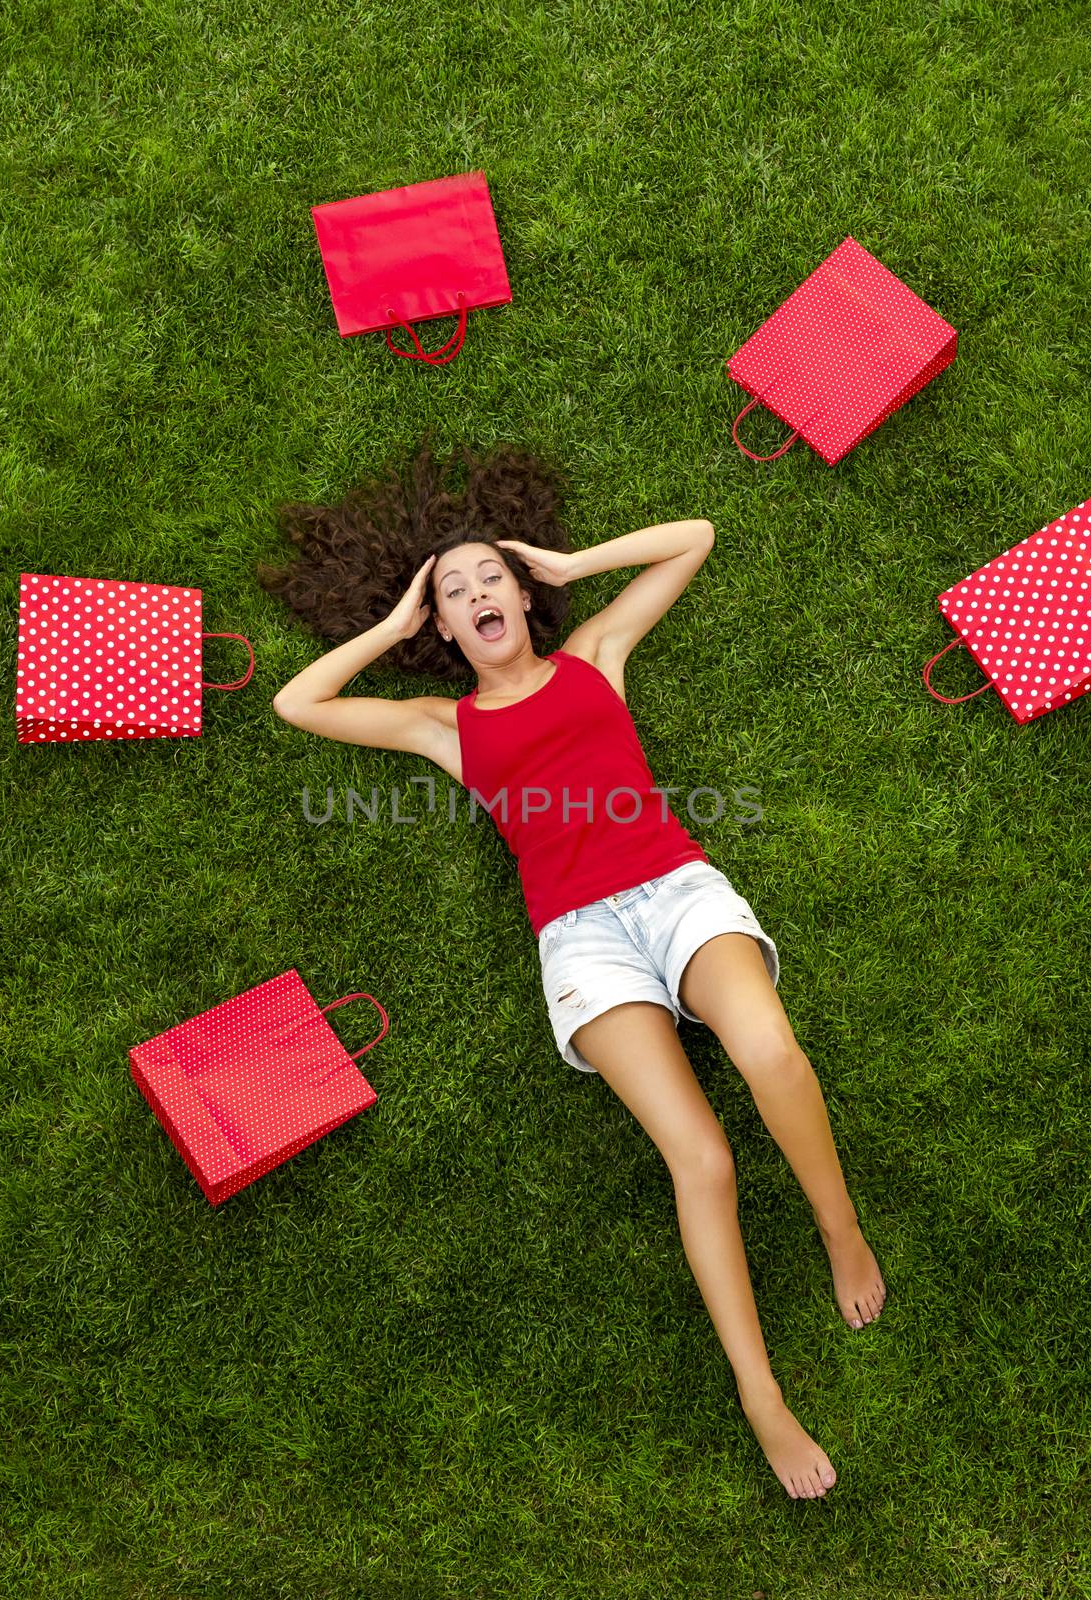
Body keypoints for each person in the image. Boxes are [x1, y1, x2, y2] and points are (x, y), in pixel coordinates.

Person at [264, 442, 885, 1501]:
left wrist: (564, 561)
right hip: (581, 940)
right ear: (445, 630)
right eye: (454, 595)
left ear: (521, 593)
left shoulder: (595, 653)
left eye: (487, 578)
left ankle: (838, 1226)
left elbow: (695, 537)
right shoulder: (444, 728)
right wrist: (393, 622)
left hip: (674, 888)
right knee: (702, 1160)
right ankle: (759, 1394)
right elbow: (298, 702)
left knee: (769, 1049)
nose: (475, 595)